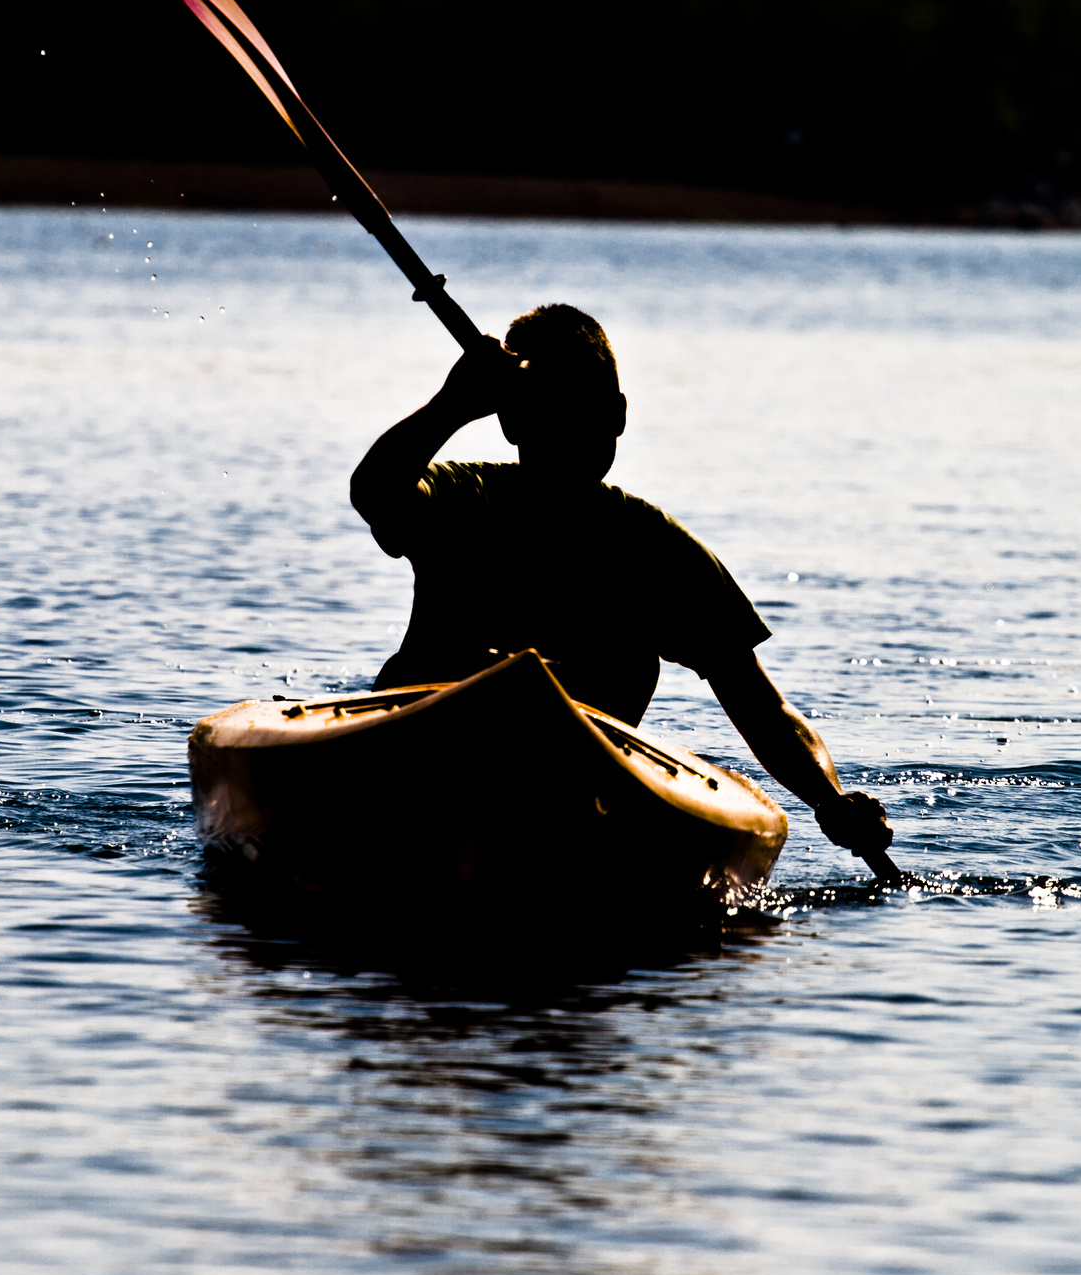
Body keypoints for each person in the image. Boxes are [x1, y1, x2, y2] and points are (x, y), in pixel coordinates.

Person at [350, 303, 896, 873]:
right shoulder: (462, 497)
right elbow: (374, 491)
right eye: (550, 408)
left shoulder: (660, 551)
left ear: (618, 415)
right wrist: (452, 406)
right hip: (418, 765)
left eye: (587, 409)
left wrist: (830, 799)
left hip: (576, 800)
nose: (571, 428)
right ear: (509, 422)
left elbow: (760, 705)